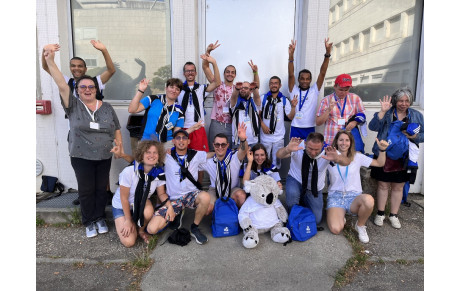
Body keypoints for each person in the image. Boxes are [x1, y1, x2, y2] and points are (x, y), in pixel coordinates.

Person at [43, 47, 122, 238]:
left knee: (101, 189)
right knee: (86, 190)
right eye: (83, 87)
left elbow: (116, 128)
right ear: (77, 90)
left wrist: (119, 146)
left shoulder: (107, 107)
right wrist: (50, 59)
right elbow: (61, 84)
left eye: (91, 87)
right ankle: (89, 221)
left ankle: (100, 218)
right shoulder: (73, 106)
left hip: (104, 155)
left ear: (96, 89)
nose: (87, 89)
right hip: (81, 156)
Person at [368, 88, 424, 229]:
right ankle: (380, 214)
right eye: (400, 100)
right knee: (383, 185)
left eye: (407, 101)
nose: (404, 104)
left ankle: (393, 215)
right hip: (383, 153)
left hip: (403, 157)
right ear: (395, 101)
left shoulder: (416, 115)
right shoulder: (387, 112)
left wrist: (414, 136)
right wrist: (381, 112)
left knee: (398, 187)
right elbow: (372, 126)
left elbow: (424, 134)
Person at [145, 129, 211, 245]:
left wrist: (223, 150)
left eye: (184, 138)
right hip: (173, 199)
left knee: (205, 197)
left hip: (191, 195)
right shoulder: (165, 156)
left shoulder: (195, 154)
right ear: (174, 141)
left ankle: (194, 227)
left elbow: (211, 154)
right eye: (178, 138)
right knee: (152, 229)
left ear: (188, 141)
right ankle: (178, 213)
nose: (181, 140)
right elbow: (148, 156)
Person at [326, 130, 389, 243]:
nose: (344, 143)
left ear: (351, 143)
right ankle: (341, 216)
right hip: (336, 197)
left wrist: (382, 150)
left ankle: (360, 225)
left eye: (347, 140)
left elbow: (379, 163)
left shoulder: (357, 156)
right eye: (341, 140)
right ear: (336, 141)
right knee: (336, 229)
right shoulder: (329, 155)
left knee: (368, 200)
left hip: (354, 198)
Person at [276, 132, 350, 227]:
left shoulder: (328, 150)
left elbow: (347, 161)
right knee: (292, 201)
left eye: (317, 149)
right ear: (305, 143)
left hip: (314, 187)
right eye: (310, 148)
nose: (313, 152)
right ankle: (295, 211)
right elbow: (279, 155)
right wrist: (287, 149)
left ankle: (303, 199)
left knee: (317, 219)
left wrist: (337, 158)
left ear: (322, 145)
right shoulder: (297, 145)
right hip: (296, 180)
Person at [111, 140, 172, 247]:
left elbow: (161, 194)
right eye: (148, 152)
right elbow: (124, 198)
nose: (152, 155)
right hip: (122, 206)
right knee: (129, 242)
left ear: (159, 156)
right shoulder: (129, 171)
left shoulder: (159, 173)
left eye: (155, 152)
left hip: (140, 202)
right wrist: (128, 220)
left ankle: (141, 230)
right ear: (141, 155)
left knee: (148, 212)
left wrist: (169, 206)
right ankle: (131, 220)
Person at [204, 42, 260, 151]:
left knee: (232, 153)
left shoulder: (238, 89)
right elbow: (205, 67)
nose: (230, 74)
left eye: (233, 72)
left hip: (233, 125)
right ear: (224, 74)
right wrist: (208, 52)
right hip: (217, 124)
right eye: (228, 72)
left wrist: (255, 73)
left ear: (235, 75)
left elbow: (255, 88)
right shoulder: (217, 84)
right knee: (215, 151)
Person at [128, 78, 203, 150]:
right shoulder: (153, 99)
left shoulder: (179, 111)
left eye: (177, 89)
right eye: (171, 87)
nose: (174, 90)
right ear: (166, 88)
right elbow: (132, 109)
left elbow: (177, 134)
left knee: (165, 162)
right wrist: (141, 90)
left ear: (179, 93)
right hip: (146, 141)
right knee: (145, 162)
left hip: (166, 145)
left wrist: (192, 128)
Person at [288, 38, 332, 140]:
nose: (305, 81)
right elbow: (290, 75)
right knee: (294, 154)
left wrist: (327, 53)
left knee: (310, 154)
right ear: (298, 79)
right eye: (302, 79)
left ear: (310, 80)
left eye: (307, 79)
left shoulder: (314, 90)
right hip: (296, 127)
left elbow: (322, 73)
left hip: (310, 128)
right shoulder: (293, 90)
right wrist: (291, 56)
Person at [178, 49, 221, 153]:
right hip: (182, 128)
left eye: (192, 70)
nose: (190, 73)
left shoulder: (201, 88)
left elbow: (217, 83)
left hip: (198, 128)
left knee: (200, 160)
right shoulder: (178, 89)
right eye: (187, 71)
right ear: (184, 73)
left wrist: (214, 63)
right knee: (182, 159)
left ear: (196, 73)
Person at [200, 123, 248, 211]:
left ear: (228, 145)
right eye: (217, 145)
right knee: (206, 209)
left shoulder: (234, 156)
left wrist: (243, 140)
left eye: (223, 145)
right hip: (215, 189)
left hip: (232, 188)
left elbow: (244, 151)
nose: (220, 147)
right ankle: (218, 217)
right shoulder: (209, 161)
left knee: (241, 197)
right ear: (213, 145)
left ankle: (237, 218)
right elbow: (195, 158)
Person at [42, 41, 116, 98]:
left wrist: (104, 50)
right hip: (73, 118)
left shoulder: (96, 82)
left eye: (80, 66)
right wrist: (45, 50)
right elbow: (46, 67)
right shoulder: (67, 82)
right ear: (70, 68)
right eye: (73, 66)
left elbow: (111, 70)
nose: (76, 68)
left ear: (85, 69)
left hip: (94, 117)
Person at [316, 73, 366, 146]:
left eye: (346, 90)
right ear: (335, 86)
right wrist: (328, 110)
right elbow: (318, 122)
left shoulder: (355, 98)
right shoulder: (326, 100)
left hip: (348, 143)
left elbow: (363, 116)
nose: (343, 93)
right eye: (341, 89)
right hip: (331, 141)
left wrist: (355, 122)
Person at [259, 76, 297, 168]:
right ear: (269, 85)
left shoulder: (284, 100)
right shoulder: (263, 98)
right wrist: (262, 124)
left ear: (280, 85)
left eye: (276, 83)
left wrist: (293, 107)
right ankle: (264, 180)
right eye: (271, 83)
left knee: (277, 162)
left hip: (278, 137)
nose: (273, 85)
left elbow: (290, 117)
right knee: (263, 161)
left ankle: (276, 181)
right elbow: (257, 114)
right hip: (265, 137)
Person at [230, 77, 261, 148]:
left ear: (250, 90)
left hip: (253, 141)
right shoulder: (235, 103)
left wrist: (255, 88)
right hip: (238, 142)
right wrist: (237, 89)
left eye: (246, 88)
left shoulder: (254, 103)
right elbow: (233, 97)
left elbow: (257, 97)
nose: (243, 89)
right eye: (241, 88)